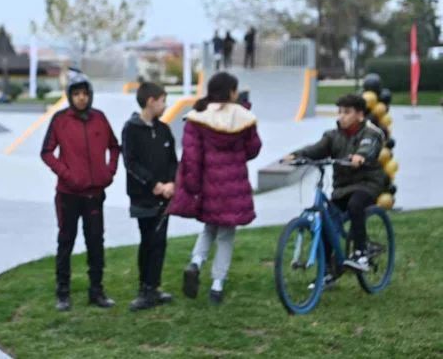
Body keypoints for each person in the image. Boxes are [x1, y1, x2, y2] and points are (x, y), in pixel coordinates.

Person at [166, 71, 261, 305]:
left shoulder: (197, 117)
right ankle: (217, 285)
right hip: (234, 185)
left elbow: (191, 156)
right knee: (226, 235)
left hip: (208, 184)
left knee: (209, 227)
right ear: (231, 92)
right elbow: (253, 149)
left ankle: (196, 262)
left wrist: (192, 186)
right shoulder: (244, 117)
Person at [284, 93, 388, 287]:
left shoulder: (370, 133)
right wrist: (297, 155)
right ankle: (330, 270)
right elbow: (317, 149)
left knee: (356, 205)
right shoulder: (333, 136)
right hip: (342, 188)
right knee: (325, 219)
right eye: (340, 112)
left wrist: (360, 157)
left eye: (347, 112)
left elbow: (369, 148)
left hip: (367, 183)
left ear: (359, 115)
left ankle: (361, 253)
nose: (341, 116)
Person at [41, 68, 120, 311]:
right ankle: (62, 293)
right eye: (77, 94)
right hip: (68, 195)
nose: (82, 98)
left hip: (95, 194)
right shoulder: (60, 120)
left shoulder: (100, 118)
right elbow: (47, 152)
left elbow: (115, 147)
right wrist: (68, 174)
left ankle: (97, 291)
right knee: (66, 242)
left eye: (85, 93)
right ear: (70, 96)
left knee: (96, 242)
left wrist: (109, 172)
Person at [121, 81, 178, 311]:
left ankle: (154, 287)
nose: (165, 106)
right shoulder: (131, 129)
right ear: (151, 101)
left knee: (160, 242)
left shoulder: (164, 129)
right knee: (148, 241)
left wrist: (172, 182)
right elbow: (130, 162)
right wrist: (153, 184)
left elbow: (173, 160)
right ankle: (144, 289)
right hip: (143, 197)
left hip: (165, 196)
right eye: (163, 101)